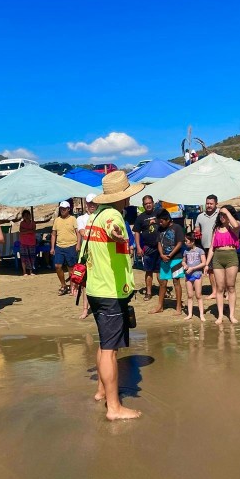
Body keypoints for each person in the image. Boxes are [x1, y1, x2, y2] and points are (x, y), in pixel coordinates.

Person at [81, 171, 143, 421]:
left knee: (105, 345)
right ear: (122, 197)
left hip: (96, 289)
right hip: (110, 292)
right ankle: (114, 408)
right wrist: (118, 232)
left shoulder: (94, 216)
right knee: (109, 349)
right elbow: (114, 227)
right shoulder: (112, 216)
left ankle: (100, 392)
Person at [209, 205, 240, 325]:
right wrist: (207, 264)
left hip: (231, 256)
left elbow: (236, 225)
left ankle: (231, 315)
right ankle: (220, 315)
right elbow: (212, 247)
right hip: (217, 257)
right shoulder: (216, 228)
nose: (222, 217)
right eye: (220, 215)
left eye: (224, 215)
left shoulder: (235, 225)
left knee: (231, 286)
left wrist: (226, 212)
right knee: (220, 288)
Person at [149, 209, 184, 315]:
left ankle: (178, 307)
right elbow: (159, 242)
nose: (160, 223)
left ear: (168, 219)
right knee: (163, 282)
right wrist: (161, 255)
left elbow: (179, 243)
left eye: (161, 221)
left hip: (176, 258)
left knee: (176, 282)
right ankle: (160, 306)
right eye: (159, 221)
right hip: (164, 259)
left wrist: (171, 254)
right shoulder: (160, 229)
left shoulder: (177, 228)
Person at [133, 195, 161, 300]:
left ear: (153, 203)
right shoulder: (140, 217)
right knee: (148, 271)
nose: (148, 205)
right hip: (148, 247)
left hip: (160, 246)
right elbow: (136, 233)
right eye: (146, 204)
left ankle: (163, 290)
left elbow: (168, 224)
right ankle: (148, 292)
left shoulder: (159, 213)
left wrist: (156, 222)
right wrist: (138, 247)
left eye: (150, 203)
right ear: (143, 205)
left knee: (160, 270)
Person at [77, 194, 98, 319]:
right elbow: (82, 232)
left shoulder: (101, 217)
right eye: (89, 203)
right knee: (85, 283)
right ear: (86, 205)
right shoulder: (81, 219)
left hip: (100, 253)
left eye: (94, 203)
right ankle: (85, 309)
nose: (92, 205)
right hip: (87, 253)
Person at [50, 201, 79, 295]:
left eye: (64, 209)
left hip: (71, 246)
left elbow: (78, 233)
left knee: (71, 268)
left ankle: (72, 286)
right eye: (61, 208)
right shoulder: (57, 220)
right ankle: (63, 285)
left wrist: (78, 244)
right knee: (57, 266)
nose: (62, 210)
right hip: (59, 246)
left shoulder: (73, 219)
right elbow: (53, 234)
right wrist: (52, 247)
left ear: (68, 209)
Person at [194, 195, 219, 299]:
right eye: (207, 203)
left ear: (216, 204)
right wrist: (196, 232)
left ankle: (223, 290)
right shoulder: (200, 216)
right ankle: (214, 291)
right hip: (206, 246)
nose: (209, 206)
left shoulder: (220, 214)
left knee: (221, 270)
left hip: (219, 246)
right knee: (210, 270)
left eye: (211, 204)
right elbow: (196, 230)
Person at [181, 232, 206, 321]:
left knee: (198, 295)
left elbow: (203, 263)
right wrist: (185, 265)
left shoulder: (200, 250)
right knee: (190, 295)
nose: (185, 242)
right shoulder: (185, 251)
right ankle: (190, 314)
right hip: (188, 275)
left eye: (186, 241)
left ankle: (201, 315)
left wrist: (193, 268)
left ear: (192, 241)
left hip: (197, 274)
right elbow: (183, 261)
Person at [18, 210, 37, 276]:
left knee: (31, 257)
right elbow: (21, 231)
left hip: (31, 242)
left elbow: (33, 231)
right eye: (25, 215)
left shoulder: (33, 223)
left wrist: (26, 231)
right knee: (24, 257)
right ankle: (24, 272)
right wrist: (29, 231)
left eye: (28, 215)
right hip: (23, 242)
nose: (26, 217)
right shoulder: (22, 223)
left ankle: (31, 271)